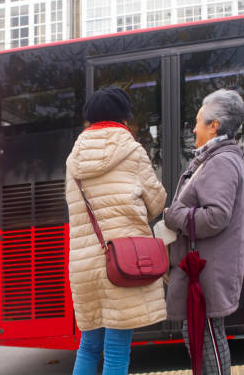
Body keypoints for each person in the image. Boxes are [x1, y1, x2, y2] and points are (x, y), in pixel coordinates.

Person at [65, 86, 168, 375]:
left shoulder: (73, 159)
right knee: (116, 349)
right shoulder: (132, 151)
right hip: (122, 262)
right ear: (123, 118)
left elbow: (75, 210)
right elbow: (157, 201)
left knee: (88, 347)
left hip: (85, 265)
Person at [164, 89, 244, 375]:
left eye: (198, 121)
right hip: (205, 267)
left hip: (209, 269)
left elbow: (216, 217)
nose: (193, 127)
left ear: (214, 126)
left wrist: (175, 216)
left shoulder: (220, 161)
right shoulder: (215, 157)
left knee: (207, 338)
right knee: (201, 336)